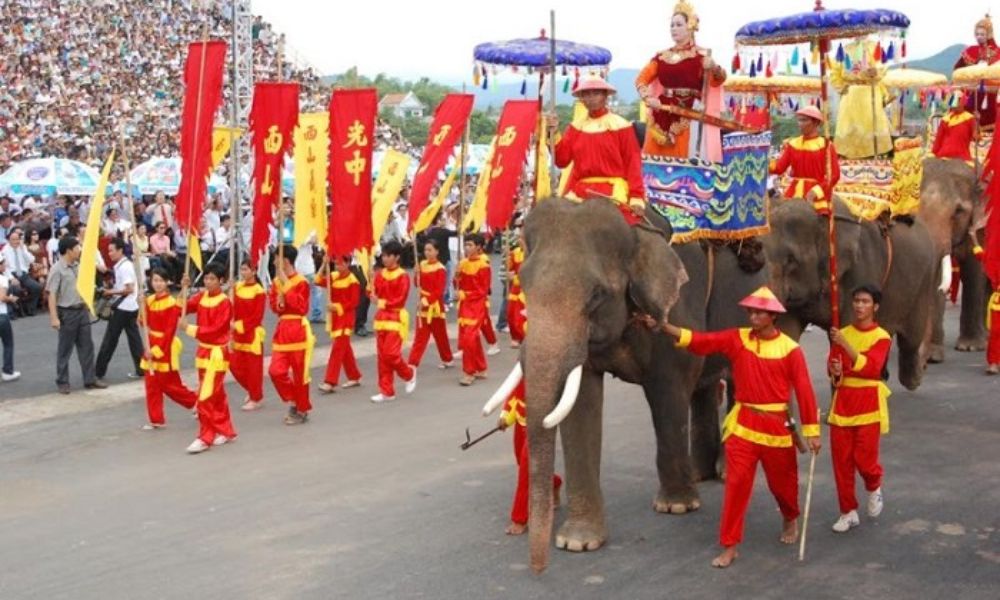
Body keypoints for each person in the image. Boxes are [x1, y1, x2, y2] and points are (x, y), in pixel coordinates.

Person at [651, 286, 821, 568]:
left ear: (772, 316)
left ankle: (790, 516)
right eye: (751, 311)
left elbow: (804, 392)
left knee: (783, 486)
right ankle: (730, 545)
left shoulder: (791, 350)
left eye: (759, 312)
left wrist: (812, 433)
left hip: (777, 427)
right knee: (736, 486)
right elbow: (701, 341)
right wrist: (665, 327)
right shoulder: (737, 338)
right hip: (743, 425)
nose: (753, 316)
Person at [826, 284, 891, 533]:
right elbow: (833, 366)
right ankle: (847, 511)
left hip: (868, 404)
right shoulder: (841, 333)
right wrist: (836, 372)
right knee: (841, 462)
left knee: (864, 461)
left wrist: (846, 346)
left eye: (865, 301)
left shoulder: (881, 337)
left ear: (875, 307)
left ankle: (874, 486)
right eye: (856, 301)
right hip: (843, 402)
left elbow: (872, 368)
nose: (859, 306)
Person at [635, 0, 726, 158]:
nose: (673, 29)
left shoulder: (701, 57)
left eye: (678, 24)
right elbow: (641, 79)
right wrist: (649, 98)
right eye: (672, 25)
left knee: (685, 160)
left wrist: (714, 67)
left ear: (690, 26)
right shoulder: (661, 56)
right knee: (654, 160)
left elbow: (718, 80)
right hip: (661, 110)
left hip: (689, 113)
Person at [549, 76, 647, 225]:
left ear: (605, 96)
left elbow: (633, 162)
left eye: (596, 93)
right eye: (587, 94)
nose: (591, 98)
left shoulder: (621, 125)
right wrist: (554, 133)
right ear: (581, 99)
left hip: (613, 190)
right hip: (580, 191)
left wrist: (636, 197)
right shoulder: (575, 127)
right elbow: (562, 160)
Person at [181, 263, 237, 454]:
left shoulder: (224, 302)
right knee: (217, 394)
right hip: (204, 352)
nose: (208, 282)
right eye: (206, 278)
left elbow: (217, 330)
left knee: (205, 396)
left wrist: (190, 329)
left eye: (212, 279)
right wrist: (184, 289)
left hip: (216, 353)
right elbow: (184, 307)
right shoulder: (202, 296)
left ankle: (206, 436)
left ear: (221, 281)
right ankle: (226, 430)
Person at [497, 380, 562, 535]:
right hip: (522, 422)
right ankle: (554, 482)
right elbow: (517, 389)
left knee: (526, 469)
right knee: (522, 461)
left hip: (540, 424)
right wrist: (506, 416)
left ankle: (520, 517)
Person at [46, 236, 105, 394]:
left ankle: (90, 378)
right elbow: (51, 294)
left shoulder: (78, 266)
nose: (79, 250)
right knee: (65, 349)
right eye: (77, 247)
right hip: (67, 312)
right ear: (69, 250)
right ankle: (62, 381)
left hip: (81, 310)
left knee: (87, 346)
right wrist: (54, 317)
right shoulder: (57, 269)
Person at [139, 268, 197, 429]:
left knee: (170, 385)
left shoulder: (171, 303)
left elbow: (169, 331)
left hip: (165, 346)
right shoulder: (149, 300)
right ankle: (156, 419)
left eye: (160, 280)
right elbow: (143, 323)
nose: (157, 283)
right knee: (152, 385)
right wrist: (141, 305)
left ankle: (196, 402)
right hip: (151, 342)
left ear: (167, 282)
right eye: (155, 280)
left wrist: (157, 351)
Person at [268, 244, 315, 424]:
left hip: (298, 330)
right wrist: (278, 302)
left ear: (285, 260)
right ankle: (295, 399)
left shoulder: (301, 281)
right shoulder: (276, 282)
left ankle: (301, 409)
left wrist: (286, 286)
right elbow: (273, 306)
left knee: (300, 373)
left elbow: (301, 307)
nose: (274, 261)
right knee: (275, 371)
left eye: (276, 258)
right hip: (282, 331)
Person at [769, 105, 841, 215]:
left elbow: (834, 175)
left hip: (816, 193)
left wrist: (815, 192)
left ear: (815, 123)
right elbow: (779, 168)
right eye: (799, 120)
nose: (799, 124)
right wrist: (762, 164)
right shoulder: (793, 144)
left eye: (804, 120)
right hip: (794, 191)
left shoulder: (826, 145)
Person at [830, 39, 894, 159]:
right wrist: (842, 88)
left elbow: (883, 69)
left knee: (872, 125)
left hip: (870, 92)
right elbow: (834, 73)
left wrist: (876, 72)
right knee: (849, 126)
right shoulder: (844, 49)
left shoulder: (876, 46)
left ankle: (876, 156)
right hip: (851, 93)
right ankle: (846, 157)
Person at [370, 240, 417, 402]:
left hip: (396, 317)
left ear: (397, 257)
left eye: (388, 255)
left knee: (391, 354)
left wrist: (380, 302)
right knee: (382, 357)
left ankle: (409, 374)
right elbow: (372, 293)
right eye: (383, 255)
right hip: (381, 318)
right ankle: (386, 391)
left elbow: (400, 299)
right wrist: (369, 286)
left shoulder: (403, 276)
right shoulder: (379, 274)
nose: (384, 258)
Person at [95, 238, 144, 382]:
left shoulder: (125, 267)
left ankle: (98, 371)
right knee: (134, 339)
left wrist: (109, 292)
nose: (109, 253)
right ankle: (141, 368)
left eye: (111, 250)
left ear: (120, 250)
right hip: (130, 307)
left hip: (123, 308)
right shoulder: (123, 265)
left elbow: (128, 289)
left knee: (110, 340)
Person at [455, 234, 499, 386]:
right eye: (466, 244)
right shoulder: (462, 263)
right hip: (465, 305)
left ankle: (469, 372)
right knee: (472, 339)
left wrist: (464, 294)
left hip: (477, 305)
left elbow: (483, 290)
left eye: (470, 245)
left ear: (479, 247)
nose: (467, 248)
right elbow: (458, 284)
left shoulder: (483, 265)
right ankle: (481, 368)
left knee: (468, 338)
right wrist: (456, 276)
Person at [316, 255, 363, 393]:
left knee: (337, 349)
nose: (338, 267)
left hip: (346, 318)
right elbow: (318, 280)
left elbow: (354, 302)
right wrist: (324, 265)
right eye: (336, 264)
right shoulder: (334, 276)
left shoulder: (353, 280)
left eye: (341, 264)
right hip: (336, 317)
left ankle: (330, 381)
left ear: (348, 263)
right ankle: (354, 376)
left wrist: (336, 307)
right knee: (344, 348)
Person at [408, 240, 454, 370]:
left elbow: (439, 291)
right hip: (422, 305)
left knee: (441, 336)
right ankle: (412, 363)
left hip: (435, 306)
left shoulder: (441, 269)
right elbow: (417, 285)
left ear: (437, 251)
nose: (427, 253)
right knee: (420, 337)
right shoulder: (422, 264)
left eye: (430, 250)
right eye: (426, 250)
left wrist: (426, 301)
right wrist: (416, 273)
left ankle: (447, 359)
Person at [231, 260, 267, 411]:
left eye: (246, 269)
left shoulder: (259, 291)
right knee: (234, 365)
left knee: (253, 369)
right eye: (242, 269)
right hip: (237, 334)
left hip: (251, 334)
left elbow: (257, 316)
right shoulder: (237, 287)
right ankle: (252, 390)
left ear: (254, 271)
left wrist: (239, 326)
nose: (243, 272)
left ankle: (255, 397)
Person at [955, 14, 1000, 129]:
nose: (979, 37)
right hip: (972, 92)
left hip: (992, 93)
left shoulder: (998, 52)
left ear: (988, 34)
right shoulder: (971, 51)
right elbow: (957, 69)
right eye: (977, 34)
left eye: (982, 34)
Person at [971, 234, 1000, 374]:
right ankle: (993, 362)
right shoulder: (995, 258)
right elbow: (982, 257)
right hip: (998, 303)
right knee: (995, 333)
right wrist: (974, 238)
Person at [2, 228, 43, 315]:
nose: (16, 241)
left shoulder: (23, 247)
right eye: (13, 240)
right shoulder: (5, 250)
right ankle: (18, 311)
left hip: (24, 275)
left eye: (17, 239)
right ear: (9, 240)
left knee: (37, 287)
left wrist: (23, 250)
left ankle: (29, 307)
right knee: (17, 289)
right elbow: (5, 268)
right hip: (12, 275)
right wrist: (12, 278)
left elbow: (32, 260)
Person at [932, 92, 976, 163]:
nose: (955, 105)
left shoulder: (970, 118)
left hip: (962, 157)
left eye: (958, 101)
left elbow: (976, 137)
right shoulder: (946, 119)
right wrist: (935, 154)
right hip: (944, 155)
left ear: (963, 102)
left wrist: (977, 121)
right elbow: (938, 139)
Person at [0, 254, 20, 381]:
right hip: (1, 315)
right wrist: (11, 298)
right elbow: (2, 297)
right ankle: (8, 371)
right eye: (3, 263)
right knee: (8, 343)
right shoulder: (2, 279)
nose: (5, 265)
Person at [506, 231, 526, 349]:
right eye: (519, 238)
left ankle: (523, 337)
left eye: (522, 238)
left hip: (526, 288)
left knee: (521, 315)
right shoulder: (515, 252)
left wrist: (515, 277)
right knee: (510, 313)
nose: (520, 240)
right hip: (515, 288)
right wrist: (508, 258)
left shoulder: (532, 254)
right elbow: (510, 268)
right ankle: (515, 337)